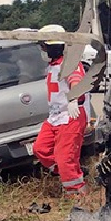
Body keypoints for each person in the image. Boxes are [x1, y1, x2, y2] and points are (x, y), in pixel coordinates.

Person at [31, 24, 88, 195]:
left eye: (44, 46)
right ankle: (67, 170)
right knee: (40, 149)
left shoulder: (70, 64)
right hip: (55, 117)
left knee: (65, 158)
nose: (42, 50)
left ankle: (77, 195)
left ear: (53, 47)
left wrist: (73, 98)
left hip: (71, 116)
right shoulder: (54, 65)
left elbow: (76, 81)